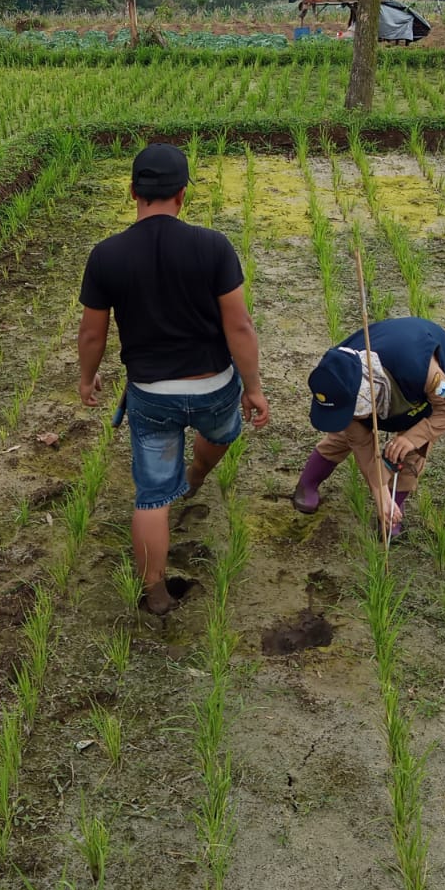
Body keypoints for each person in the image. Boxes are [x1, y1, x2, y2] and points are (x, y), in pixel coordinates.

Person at [78, 143, 270, 615]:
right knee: (222, 431)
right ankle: (198, 474)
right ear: (182, 194)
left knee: (151, 497)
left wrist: (87, 379)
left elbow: (91, 332)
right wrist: (254, 387)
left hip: (151, 397)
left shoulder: (107, 256)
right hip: (213, 387)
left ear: (132, 192)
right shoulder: (213, 247)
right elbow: (240, 326)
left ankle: (155, 591)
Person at [292, 317, 445, 537]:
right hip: (365, 390)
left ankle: (394, 506)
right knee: (343, 436)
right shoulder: (334, 374)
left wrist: (412, 438)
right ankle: (308, 483)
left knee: (409, 451)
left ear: (367, 396)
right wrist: (379, 491)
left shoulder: (422, 371)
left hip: (412, 389)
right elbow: (363, 446)